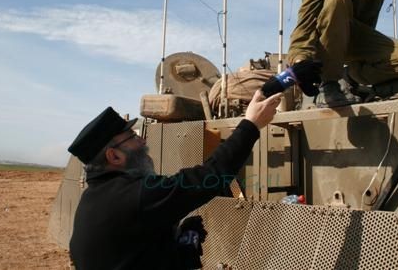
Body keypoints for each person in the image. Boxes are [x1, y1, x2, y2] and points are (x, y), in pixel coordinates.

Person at [67, 90, 282, 270]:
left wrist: (175, 240)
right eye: (132, 137)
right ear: (114, 156)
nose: (142, 140)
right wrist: (251, 124)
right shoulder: (137, 196)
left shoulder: (94, 197)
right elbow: (213, 175)